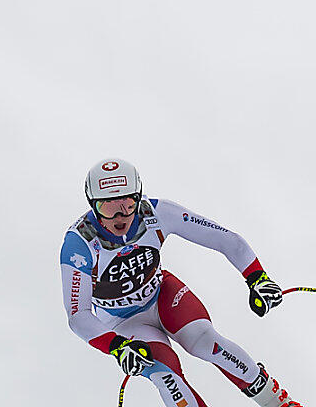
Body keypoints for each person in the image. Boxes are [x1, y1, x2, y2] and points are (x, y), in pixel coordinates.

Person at [60, 158, 302, 407]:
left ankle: (277, 401)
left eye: (128, 203)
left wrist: (257, 278)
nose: (120, 216)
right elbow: (78, 314)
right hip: (123, 321)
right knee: (166, 376)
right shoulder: (79, 242)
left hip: (163, 295)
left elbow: (227, 240)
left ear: (139, 197)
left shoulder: (158, 212)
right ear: (92, 206)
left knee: (206, 342)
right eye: (108, 208)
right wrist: (116, 345)